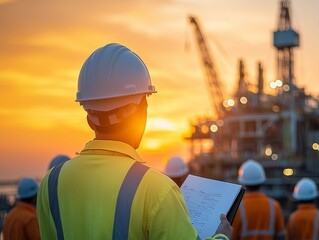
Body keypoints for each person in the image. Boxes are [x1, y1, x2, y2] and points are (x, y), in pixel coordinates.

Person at [36, 43, 231, 239]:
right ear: (140, 113)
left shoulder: (50, 184)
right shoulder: (157, 190)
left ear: (89, 118)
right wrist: (221, 237)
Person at [232, 159, 285, 240]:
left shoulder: (237, 208)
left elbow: (232, 236)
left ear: (243, 182)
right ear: (261, 181)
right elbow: (281, 236)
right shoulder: (274, 206)